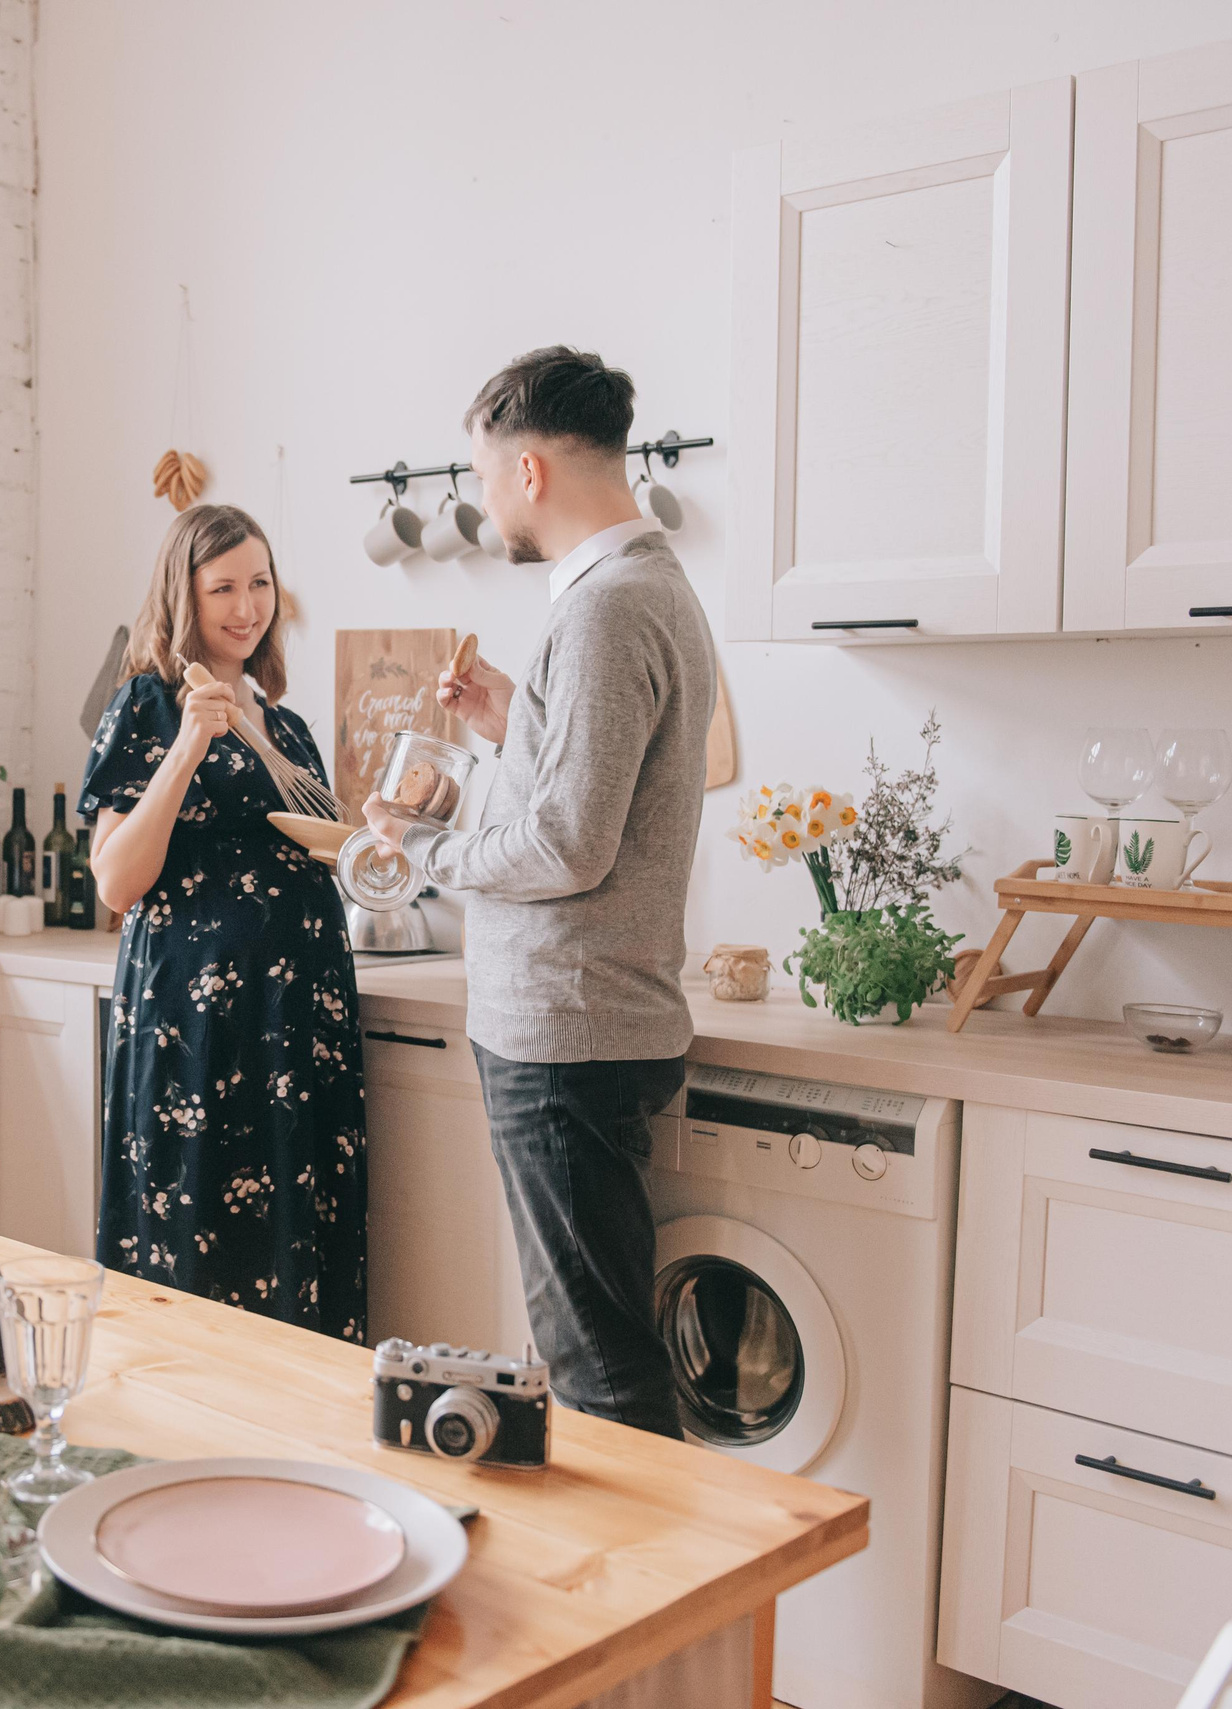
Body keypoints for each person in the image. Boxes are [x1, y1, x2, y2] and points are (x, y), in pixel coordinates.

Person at [363, 345, 715, 1435]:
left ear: (528, 473)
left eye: (478, 477)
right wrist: (514, 714)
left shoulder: (608, 607)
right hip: (585, 1023)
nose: (480, 504)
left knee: (597, 1372)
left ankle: (641, 1599)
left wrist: (422, 855)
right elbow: (598, 780)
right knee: (587, 1350)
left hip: (568, 1031)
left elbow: (566, 843)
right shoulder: (639, 589)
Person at [83, 503, 369, 1343]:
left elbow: (328, 851)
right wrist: (185, 750)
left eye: (260, 583)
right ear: (185, 595)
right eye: (223, 588)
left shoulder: (286, 726)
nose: (246, 607)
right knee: (198, 1228)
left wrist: (389, 824)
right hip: (198, 1020)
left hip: (297, 1020)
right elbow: (115, 881)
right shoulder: (147, 703)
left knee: (295, 1221)